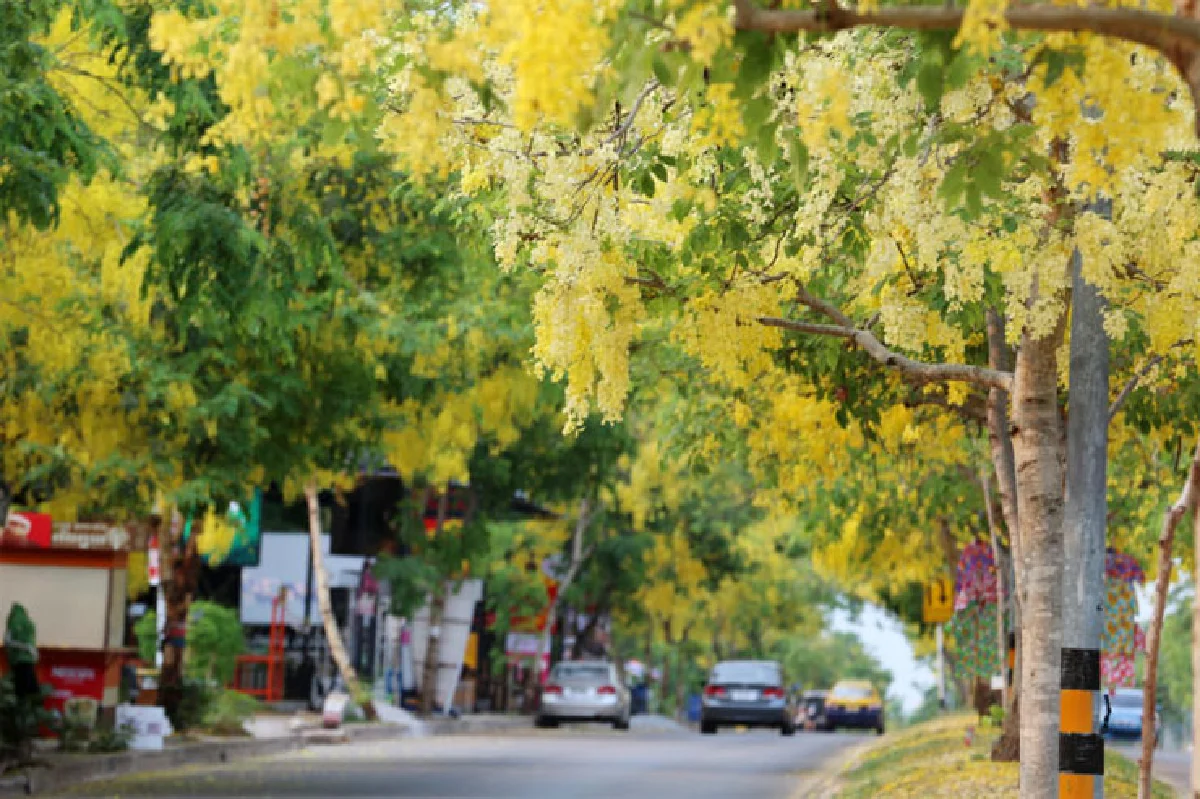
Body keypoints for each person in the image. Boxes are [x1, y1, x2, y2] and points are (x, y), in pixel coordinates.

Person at [4, 603, 39, 699]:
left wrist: (24, 647)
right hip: (28, 660)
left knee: (21, 691)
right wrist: (30, 649)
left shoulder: (13, 622)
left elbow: (7, 641)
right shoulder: (29, 623)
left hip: (19, 660)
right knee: (31, 690)